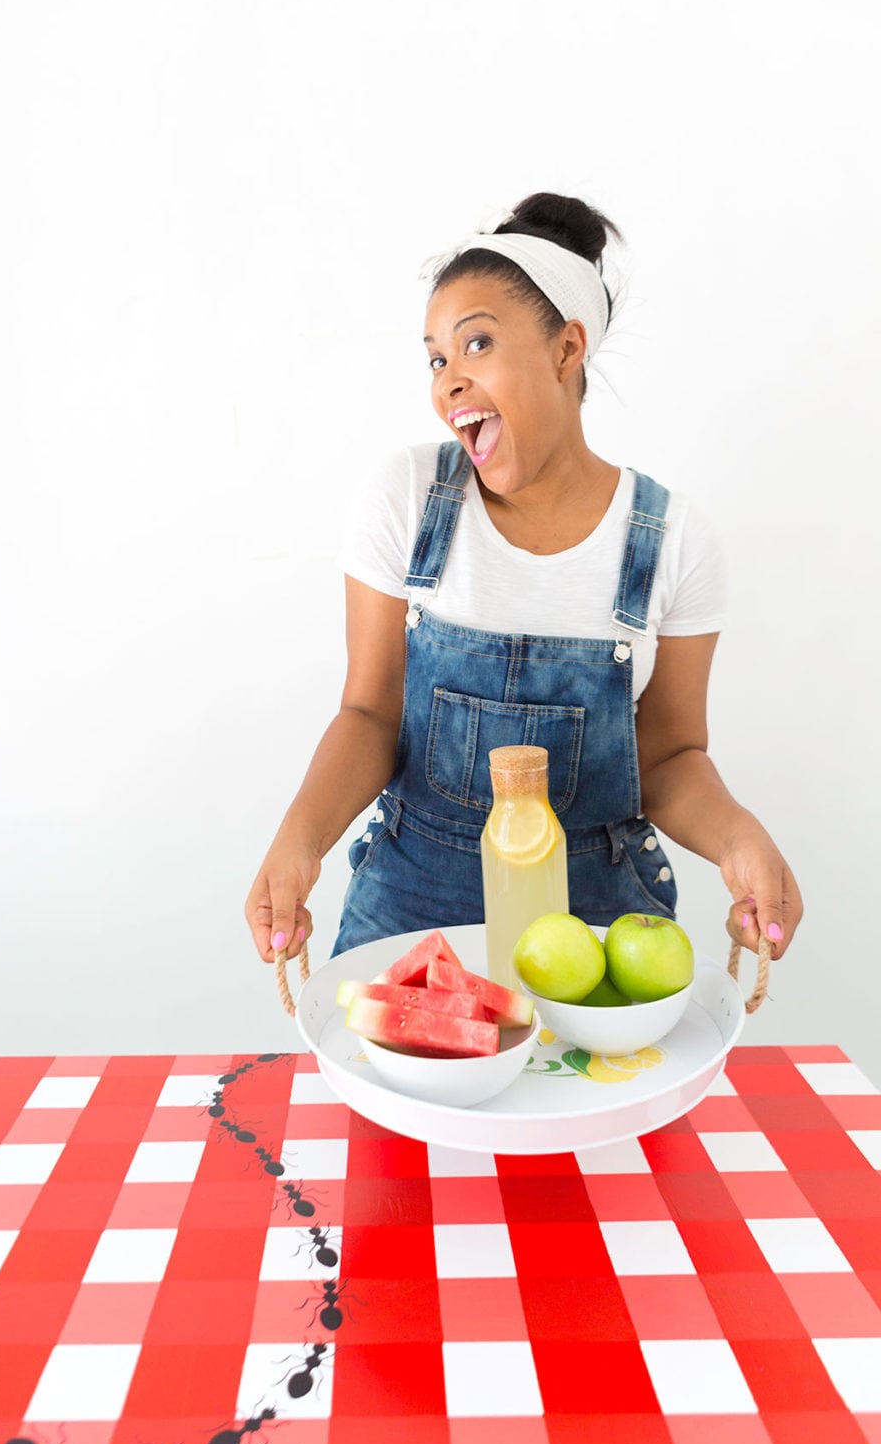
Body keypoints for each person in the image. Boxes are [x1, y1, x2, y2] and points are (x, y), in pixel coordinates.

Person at [245, 192, 802, 976]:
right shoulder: (405, 499)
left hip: (602, 920)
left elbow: (671, 754)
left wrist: (741, 838)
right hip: (411, 909)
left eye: (476, 344)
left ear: (566, 349)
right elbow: (369, 712)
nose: (449, 381)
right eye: (437, 359)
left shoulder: (673, 539)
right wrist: (299, 841)